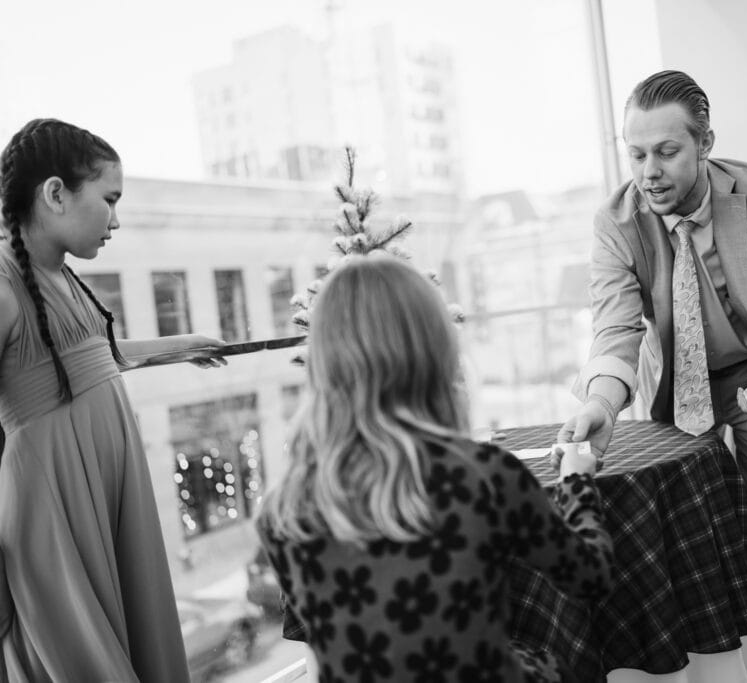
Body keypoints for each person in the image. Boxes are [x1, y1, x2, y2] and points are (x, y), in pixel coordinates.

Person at [257, 254, 614, 683]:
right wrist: (577, 480)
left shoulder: (282, 508)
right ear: (434, 351)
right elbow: (589, 578)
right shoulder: (484, 477)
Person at [559, 69, 747, 627]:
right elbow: (615, 330)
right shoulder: (616, 224)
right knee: (689, 537)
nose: (649, 173)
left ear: (705, 143)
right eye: (636, 155)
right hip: (675, 387)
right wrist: (601, 405)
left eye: (666, 151)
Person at [0, 118, 226, 681]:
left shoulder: (61, 277)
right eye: (109, 199)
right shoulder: (3, 285)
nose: (116, 220)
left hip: (104, 486)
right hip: (53, 509)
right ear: (55, 194)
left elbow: (91, 357)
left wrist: (179, 346)